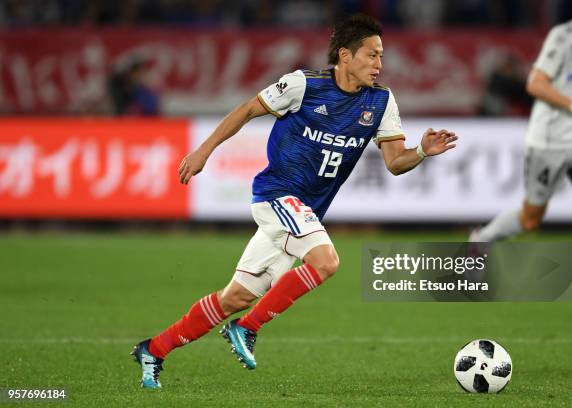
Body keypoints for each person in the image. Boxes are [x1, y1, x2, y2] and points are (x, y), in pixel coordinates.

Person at [132, 14, 457, 389]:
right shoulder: (304, 85)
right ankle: (248, 329)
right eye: (371, 55)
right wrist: (204, 151)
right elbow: (247, 109)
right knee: (326, 261)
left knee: (235, 296)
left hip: (302, 213)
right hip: (276, 196)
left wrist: (422, 151)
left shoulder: (381, 102)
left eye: (381, 56)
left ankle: (154, 349)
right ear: (345, 56)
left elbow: (396, 162)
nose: (379, 64)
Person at [470, 0, 572, 317]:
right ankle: (482, 239)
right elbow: (535, 83)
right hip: (549, 138)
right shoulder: (565, 36)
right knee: (532, 218)